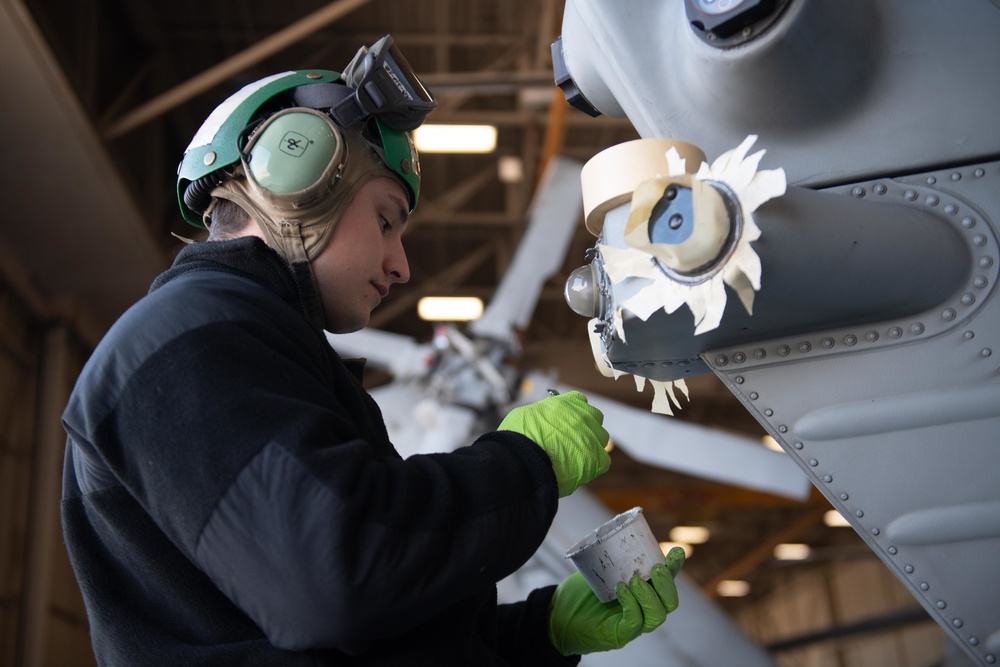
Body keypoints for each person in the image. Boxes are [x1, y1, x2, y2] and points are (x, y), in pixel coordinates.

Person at [60, 35, 684, 666]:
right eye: (387, 221)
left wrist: (540, 631)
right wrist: (523, 464)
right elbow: (335, 578)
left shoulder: (256, 351)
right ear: (296, 178)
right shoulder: (181, 343)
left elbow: (367, 633)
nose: (402, 265)